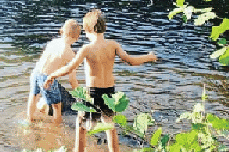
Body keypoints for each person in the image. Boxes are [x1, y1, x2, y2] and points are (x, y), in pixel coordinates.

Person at [44, 10, 157, 152]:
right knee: (109, 124)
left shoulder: (87, 48)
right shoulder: (113, 45)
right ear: (105, 27)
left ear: (87, 30)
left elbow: (69, 67)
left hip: (92, 93)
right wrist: (149, 57)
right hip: (109, 92)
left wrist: (52, 75)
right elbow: (131, 61)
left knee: (81, 124)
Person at [27, 19, 82, 125]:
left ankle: (29, 121)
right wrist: (81, 97)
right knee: (57, 106)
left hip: (35, 72)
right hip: (47, 78)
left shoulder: (53, 42)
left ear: (62, 31)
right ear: (77, 37)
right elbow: (72, 80)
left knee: (33, 96)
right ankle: (56, 128)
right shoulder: (69, 53)